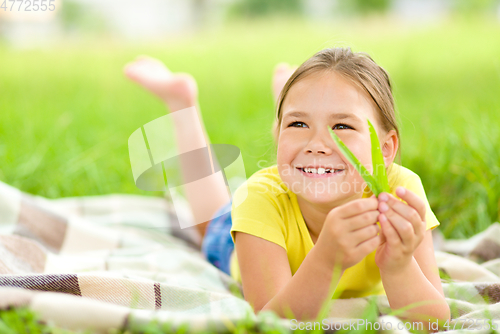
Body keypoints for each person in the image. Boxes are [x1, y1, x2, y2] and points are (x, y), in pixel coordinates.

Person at [124, 48, 450, 325]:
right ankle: (182, 106)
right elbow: (271, 321)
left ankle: (292, 99)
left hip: (300, 186)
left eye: (341, 125)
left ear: (386, 149)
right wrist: (327, 260)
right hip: (250, 232)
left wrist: (398, 264)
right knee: (208, 222)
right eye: (298, 124)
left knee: (310, 134)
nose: (318, 143)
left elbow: (432, 321)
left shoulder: (399, 192)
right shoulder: (259, 197)